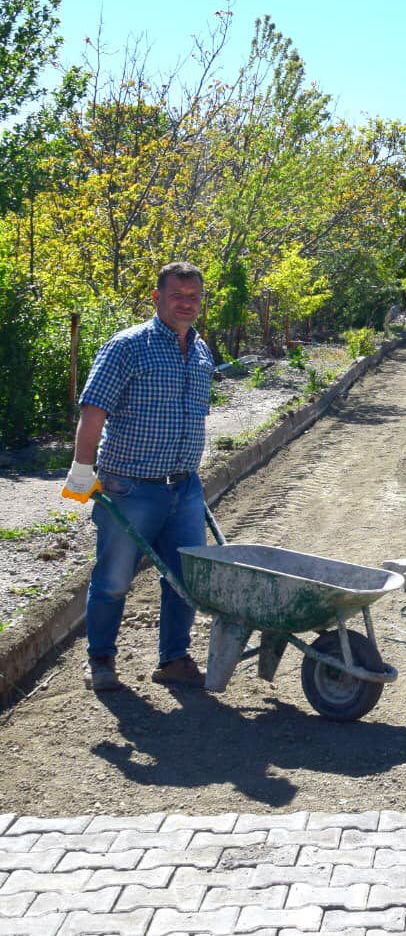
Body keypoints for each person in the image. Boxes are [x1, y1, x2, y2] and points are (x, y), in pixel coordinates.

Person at [63, 262, 215, 692]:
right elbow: (94, 410)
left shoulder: (201, 352)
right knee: (114, 579)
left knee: (185, 580)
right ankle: (100, 660)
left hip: (184, 486)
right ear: (156, 297)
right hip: (129, 487)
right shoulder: (128, 346)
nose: (186, 303)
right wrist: (82, 470)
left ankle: (173, 659)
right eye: (177, 295)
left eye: (193, 296)